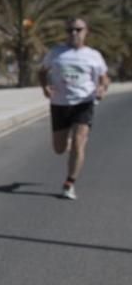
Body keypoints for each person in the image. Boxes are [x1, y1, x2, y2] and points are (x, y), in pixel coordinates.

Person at [38, 17, 109, 200]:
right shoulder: (56, 53)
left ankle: (69, 184)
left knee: (79, 142)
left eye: (78, 29)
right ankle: (67, 142)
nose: (74, 33)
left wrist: (101, 88)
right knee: (59, 148)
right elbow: (42, 71)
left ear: (86, 32)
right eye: (70, 30)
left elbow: (104, 77)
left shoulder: (94, 55)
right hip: (60, 104)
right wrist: (45, 86)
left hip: (84, 103)